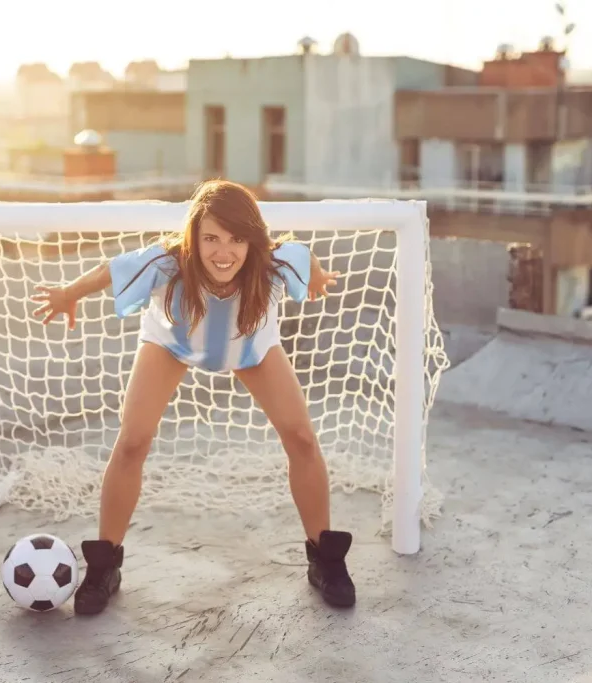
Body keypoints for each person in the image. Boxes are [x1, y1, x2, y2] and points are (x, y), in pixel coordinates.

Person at [30, 179, 356, 615]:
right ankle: (105, 563)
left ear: (252, 240)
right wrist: (68, 294)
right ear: (194, 238)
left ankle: (326, 560)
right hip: (172, 344)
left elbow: (304, 256)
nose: (224, 252)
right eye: (212, 239)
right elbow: (110, 269)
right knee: (132, 441)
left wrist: (315, 276)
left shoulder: (274, 262)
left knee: (301, 437)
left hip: (250, 348)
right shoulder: (167, 262)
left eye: (237, 239)